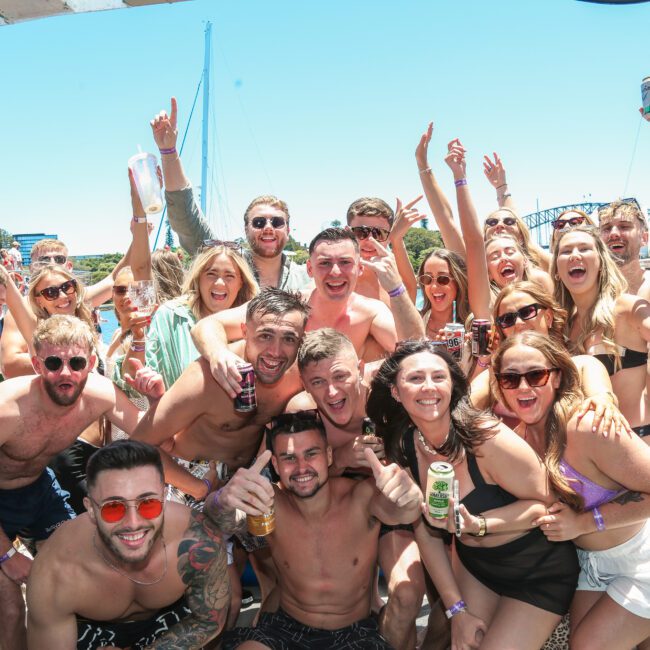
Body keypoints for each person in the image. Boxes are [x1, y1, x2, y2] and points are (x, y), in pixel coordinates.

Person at [367, 340, 579, 650]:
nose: (429, 387)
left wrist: (478, 525)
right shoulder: (407, 443)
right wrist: (456, 611)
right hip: (476, 567)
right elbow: (425, 532)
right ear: (396, 392)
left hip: (538, 573)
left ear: (452, 385)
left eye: (438, 377)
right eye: (415, 378)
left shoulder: (486, 438)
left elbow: (547, 505)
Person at [0, 315, 164, 650]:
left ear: (90, 362)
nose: (65, 373)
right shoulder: (7, 408)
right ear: (35, 364)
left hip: (39, 491)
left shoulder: (100, 395)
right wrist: (6, 554)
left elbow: (152, 437)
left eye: (76, 362)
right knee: (11, 609)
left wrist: (156, 401)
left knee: (79, 577)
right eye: (53, 363)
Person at [206, 410, 423, 649]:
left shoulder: (361, 496)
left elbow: (402, 513)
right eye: (288, 458)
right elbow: (219, 519)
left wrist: (411, 499)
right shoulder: (268, 500)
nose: (301, 467)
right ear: (275, 465)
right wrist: (222, 500)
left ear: (329, 455)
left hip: (353, 633)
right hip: (286, 627)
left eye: (311, 454)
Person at [494, 332, 650, 650]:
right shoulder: (516, 443)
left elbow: (587, 361)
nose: (523, 387)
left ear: (556, 377)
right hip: (591, 567)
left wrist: (583, 524)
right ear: (500, 386)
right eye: (511, 379)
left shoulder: (589, 426)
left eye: (535, 375)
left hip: (641, 560)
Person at [287, 329, 425, 648]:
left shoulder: (390, 392)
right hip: (342, 509)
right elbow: (295, 484)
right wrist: (342, 460)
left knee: (406, 596)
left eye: (340, 376)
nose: (332, 391)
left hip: (398, 503)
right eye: (318, 382)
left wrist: (393, 463)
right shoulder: (303, 414)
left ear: (361, 369)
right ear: (306, 385)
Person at [27, 440, 230, 650]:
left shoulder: (196, 539)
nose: (133, 523)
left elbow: (209, 621)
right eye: (113, 507)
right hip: (87, 631)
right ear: (90, 509)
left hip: (174, 625)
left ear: (163, 498)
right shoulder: (55, 572)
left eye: (148, 504)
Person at [191, 228, 424, 397]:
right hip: (287, 417)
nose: (335, 272)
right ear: (310, 269)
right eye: (324, 263)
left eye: (344, 262)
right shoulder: (287, 307)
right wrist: (219, 354)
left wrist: (396, 287)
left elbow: (416, 346)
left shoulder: (370, 312)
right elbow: (207, 326)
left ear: (359, 268)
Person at [130, 288, 310, 500]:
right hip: (187, 481)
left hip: (241, 483)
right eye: (265, 336)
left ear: (300, 341)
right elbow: (135, 446)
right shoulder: (206, 377)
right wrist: (199, 488)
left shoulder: (299, 375)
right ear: (244, 331)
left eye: (289, 339)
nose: (275, 351)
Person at [150, 97, 311, 291]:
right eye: (258, 222)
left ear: (288, 229)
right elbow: (186, 218)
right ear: (245, 229)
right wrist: (168, 151)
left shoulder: (309, 279)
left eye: (277, 222)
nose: (268, 228)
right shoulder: (227, 268)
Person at [121, 242, 258, 390]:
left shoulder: (255, 321)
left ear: (241, 283)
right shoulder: (170, 316)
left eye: (229, 276)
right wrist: (138, 338)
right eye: (211, 274)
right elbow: (134, 385)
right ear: (199, 278)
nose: (219, 283)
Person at [552, 224, 650, 431]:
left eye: (584, 249)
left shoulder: (626, 308)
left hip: (638, 440)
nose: (575, 256)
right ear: (557, 271)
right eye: (566, 251)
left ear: (601, 262)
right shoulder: (563, 326)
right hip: (588, 452)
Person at [345, 196, 421, 303]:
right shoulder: (332, 279)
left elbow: (410, 297)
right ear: (347, 232)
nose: (370, 240)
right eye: (361, 232)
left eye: (379, 233)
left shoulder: (393, 282)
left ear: (389, 236)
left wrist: (396, 238)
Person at [598, 199, 650, 300]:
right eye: (606, 228)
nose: (613, 234)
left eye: (624, 226)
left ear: (644, 238)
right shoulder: (589, 291)